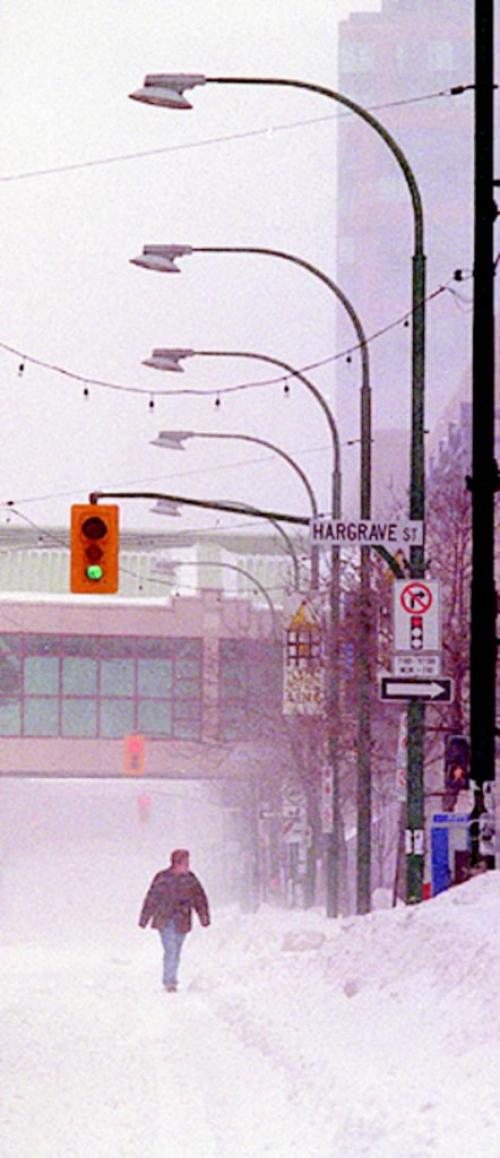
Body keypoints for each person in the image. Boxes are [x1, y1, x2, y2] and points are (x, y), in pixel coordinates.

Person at [138, 849, 210, 991]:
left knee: (176, 950)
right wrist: (144, 918)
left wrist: (204, 916)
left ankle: (171, 977)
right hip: (165, 920)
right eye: (185, 862)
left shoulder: (190, 879)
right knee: (170, 949)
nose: (187, 865)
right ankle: (170, 981)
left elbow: (200, 899)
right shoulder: (162, 878)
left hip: (182, 921)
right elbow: (151, 898)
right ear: (176, 863)